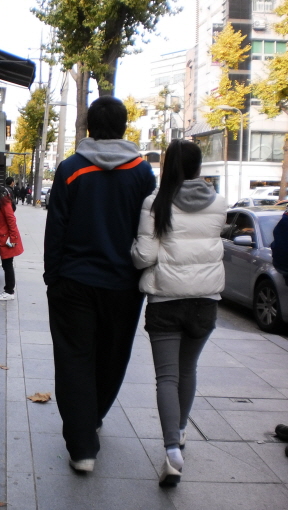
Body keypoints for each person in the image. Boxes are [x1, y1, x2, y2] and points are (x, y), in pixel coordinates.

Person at [44, 96, 156, 473]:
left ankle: (82, 449)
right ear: (124, 127)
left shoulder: (71, 169)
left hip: (73, 281)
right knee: (112, 356)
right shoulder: (142, 172)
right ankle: (92, 417)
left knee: (74, 359)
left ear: (89, 127)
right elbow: (150, 230)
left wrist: (52, 277)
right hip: (124, 286)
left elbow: (56, 228)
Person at [131, 139, 226, 486]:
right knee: (188, 369)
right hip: (205, 299)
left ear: (168, 165)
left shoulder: (156, 203)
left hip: (166, 299)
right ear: (199, 167)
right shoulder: (219, 203)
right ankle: (182, 431)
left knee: (167, 377)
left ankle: (172, 451)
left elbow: (144, 256)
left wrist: (133, 251)